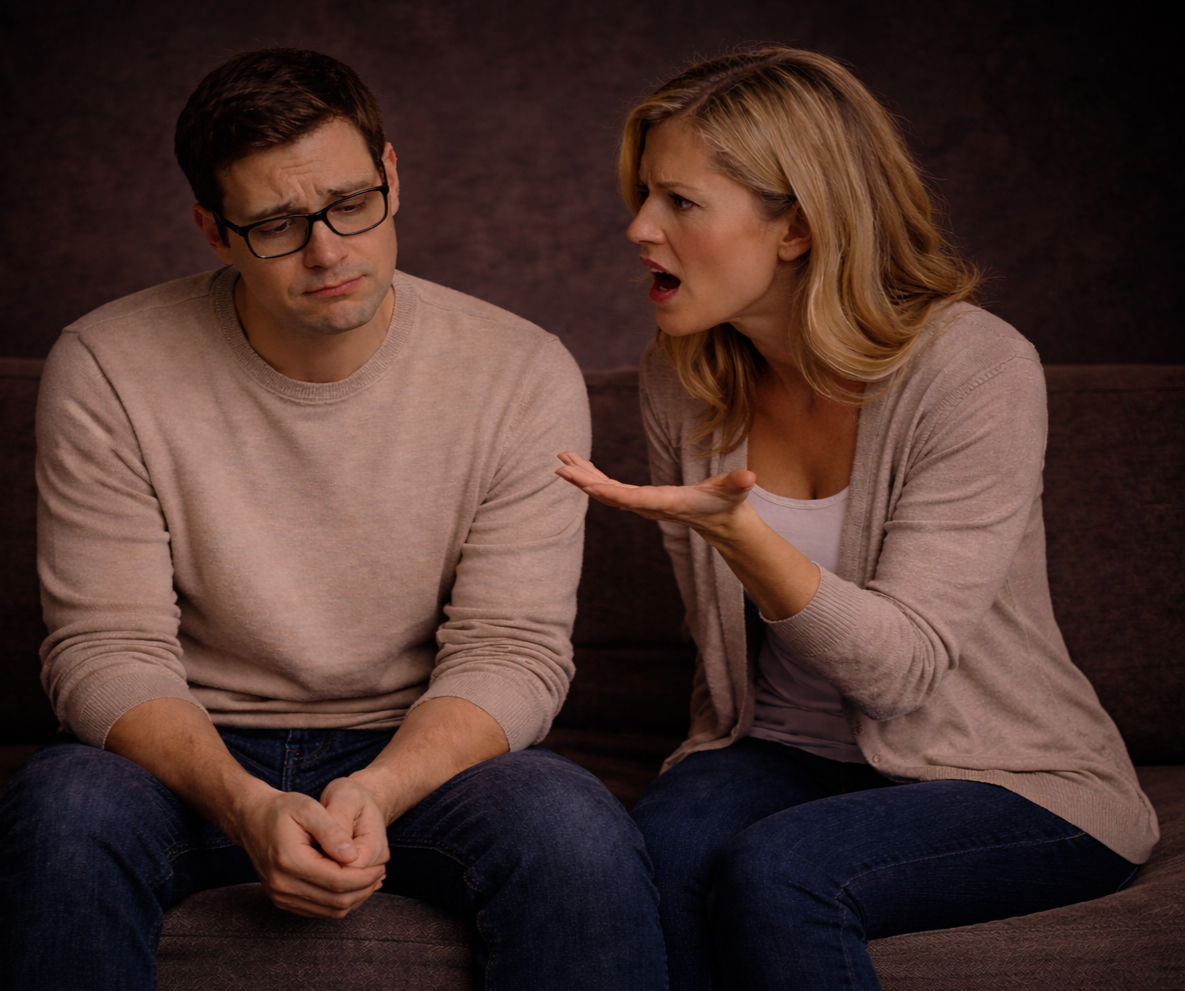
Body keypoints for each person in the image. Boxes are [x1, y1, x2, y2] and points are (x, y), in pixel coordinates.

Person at [0, 48, 666, 991]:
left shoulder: (520, 371)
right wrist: (244, 804)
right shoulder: (108, 364)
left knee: (572, 829)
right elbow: (105, 648)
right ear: (212, 229)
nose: (327, 251)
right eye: (276, 224)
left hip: (414, 743)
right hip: (186, 746)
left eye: (351, 203)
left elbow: (512, 649)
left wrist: (379, 790)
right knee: (61, 809)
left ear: (391, 174)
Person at [556, 47, 1158, 991]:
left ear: (795, 226)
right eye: (643, 195)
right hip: (778, 750)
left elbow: (901, 671)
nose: (638, 227)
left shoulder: (973, 368)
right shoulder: (681, 376)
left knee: (783, 869)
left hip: (1008, 776)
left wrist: (743, 535)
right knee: (655, 855)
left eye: (679, 201)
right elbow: (719, 661)